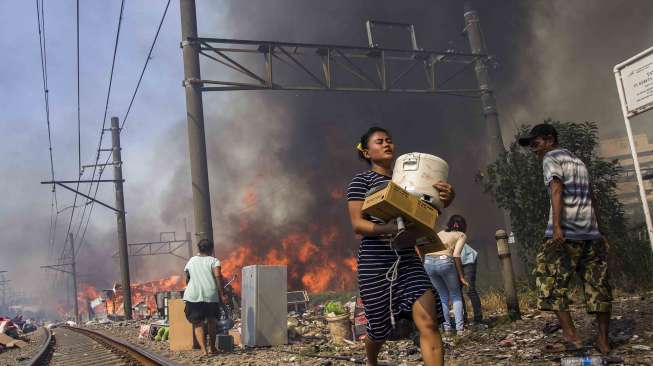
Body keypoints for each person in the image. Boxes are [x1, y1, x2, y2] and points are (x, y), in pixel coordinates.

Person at [346, 126, 455, 366]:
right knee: (379, 328)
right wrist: (390, 229)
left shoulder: (410, 181)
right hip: (375, 261)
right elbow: (357, 224)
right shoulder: (362, 181)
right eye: (379, 142)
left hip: (407, 257)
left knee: (428, 322)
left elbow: (427, 213)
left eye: (389, 140)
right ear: (366, 153)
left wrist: (445, 198)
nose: (387, 144)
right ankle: (371, 361)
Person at [518, 123, 612, 354]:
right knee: (598, 286)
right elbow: (592, 197)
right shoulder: (578, 161)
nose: (534, 149)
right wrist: (601, 232)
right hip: (590, 234)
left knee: (548, 279)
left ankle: (571, 335)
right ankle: (603, 341)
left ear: (549, 140)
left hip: (566, 234)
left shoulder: (551, 158)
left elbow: (556, 189)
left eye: (536, 143)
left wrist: (558, 227)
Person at [424, 215, 469, 336]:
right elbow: (456, 255)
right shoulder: (461, 235)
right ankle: (460, 329)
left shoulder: (441, 232)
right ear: (463, 226)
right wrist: (461, 276)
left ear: (450, 223)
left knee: (442, 296)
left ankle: (447, 329)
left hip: (428, 261)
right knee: (455, 295)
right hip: (445, 261)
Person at [182, 239, 227, 356]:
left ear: (199, 249)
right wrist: (222, 294)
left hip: (193, 295)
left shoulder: (191, 261)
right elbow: (218, 277)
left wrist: (192, 283)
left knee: (198, 323)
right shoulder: (214, 261)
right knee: (212, 321)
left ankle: (204, 351)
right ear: (211, 249)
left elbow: (187, 277)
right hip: (210, 295)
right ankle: (212, 348)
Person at [459, 241, 483, 324]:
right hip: (455, 262)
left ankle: (478, 318)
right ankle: (463, 319)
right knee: (457, 291)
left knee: (470, 289)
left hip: (467, 259)